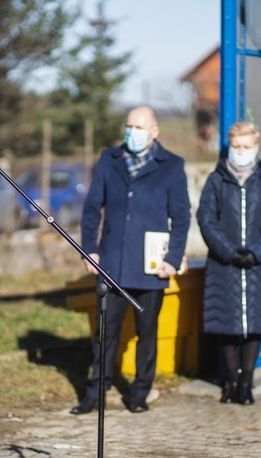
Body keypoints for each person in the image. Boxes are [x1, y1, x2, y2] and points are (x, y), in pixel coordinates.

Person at [70, 106, 191, 414]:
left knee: (146, 332)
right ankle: (95, 392)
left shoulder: (172, 165)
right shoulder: (109, 159)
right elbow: (91, 207)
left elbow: (181, 216)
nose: (132, 132)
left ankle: (139, 394)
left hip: (152, 267)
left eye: (139, 126)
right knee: (103, 334)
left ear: (154, 132)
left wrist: (173, 258)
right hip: (111, 264)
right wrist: (90, 248)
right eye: (128, 125)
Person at [197, 121, 261, 405]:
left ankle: (246, 383)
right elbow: (206, 218)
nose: (241, 151)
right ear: (229, 147)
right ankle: (230, 382)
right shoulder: (216, 180)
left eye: (246, 147)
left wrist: (257, 251)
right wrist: (228, 251)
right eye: (236, 146)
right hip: (225, 264)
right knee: (227, 322)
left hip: (258, 265)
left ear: (256, 148)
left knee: (253, 323)